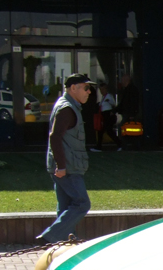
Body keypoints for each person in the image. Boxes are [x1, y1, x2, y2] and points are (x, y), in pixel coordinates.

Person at [36, 73, 95, 243]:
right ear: (73, 88)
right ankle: (49, 238)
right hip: (67, 168)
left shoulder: (68, 106)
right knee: (82, 204)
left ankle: (66, 242)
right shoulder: (67, 109)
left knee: (65, 207)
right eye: (86, 87)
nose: (89, 92)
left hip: (66, 166)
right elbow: (55, 137)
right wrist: (61, 166)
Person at [117, 74, 141, 150]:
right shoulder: (130, 89)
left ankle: (125, 145)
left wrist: (132, 114)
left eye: (123, 80)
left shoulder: (129, 90)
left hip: (129, 113)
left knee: (123, 128)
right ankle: (131, 145)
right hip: (129, 113)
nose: (121, 81)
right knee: (130, 129)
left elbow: (132, 102)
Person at [96, 83, 118, 150]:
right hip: (104, 115)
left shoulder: (109, 96)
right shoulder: (103, 98)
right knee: (103, 131)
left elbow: (113, 104)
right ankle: (98, 147)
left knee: (108, 131)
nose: (102, 91)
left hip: (108, 115)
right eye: (100, 89)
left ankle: (120, 144)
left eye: (103, 89)